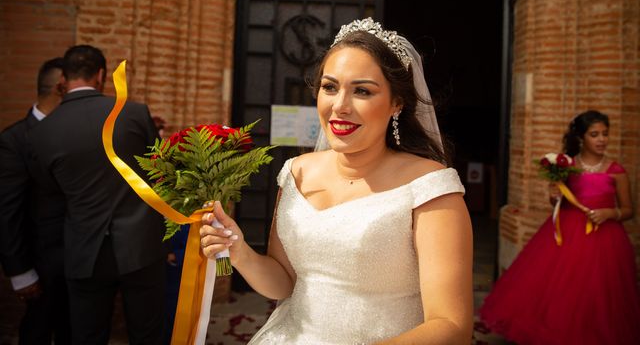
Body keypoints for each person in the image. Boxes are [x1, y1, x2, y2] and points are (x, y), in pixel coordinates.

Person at [200, 18, 474, 344]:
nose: (340, 106)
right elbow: (285, 283)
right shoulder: (296, 173)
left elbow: (452, 326)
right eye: (330, 87)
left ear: (396, 103)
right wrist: (240, 252)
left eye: (362, 91)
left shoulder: (431, 188)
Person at [28, 45, 167, 345]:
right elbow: (159, 171)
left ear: (63, 78)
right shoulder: (133, 112)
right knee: (149, 335)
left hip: (84, 249)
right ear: (101, 75)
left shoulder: (41, 132)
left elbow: (50, 189)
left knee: (87, 337)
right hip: (141, 246)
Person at [479, 110, 640, 344]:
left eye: (605, 134)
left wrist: (610, 213)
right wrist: (554, 196)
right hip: (566, 234)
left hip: (605, 238)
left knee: (599, 294)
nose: (602, 139)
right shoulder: (568, 166)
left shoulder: (616, 171)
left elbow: (629, 210)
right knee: (563, 290)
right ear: (581, 138)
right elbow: (557, 202)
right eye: (595, 134)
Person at [0, 57, 71, 344]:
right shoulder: (14, 139)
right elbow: (7, 210)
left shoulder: (74, 134)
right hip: (39, 266)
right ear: (62, 87)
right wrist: (19, 271)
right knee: (37, 331)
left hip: (76, 264)